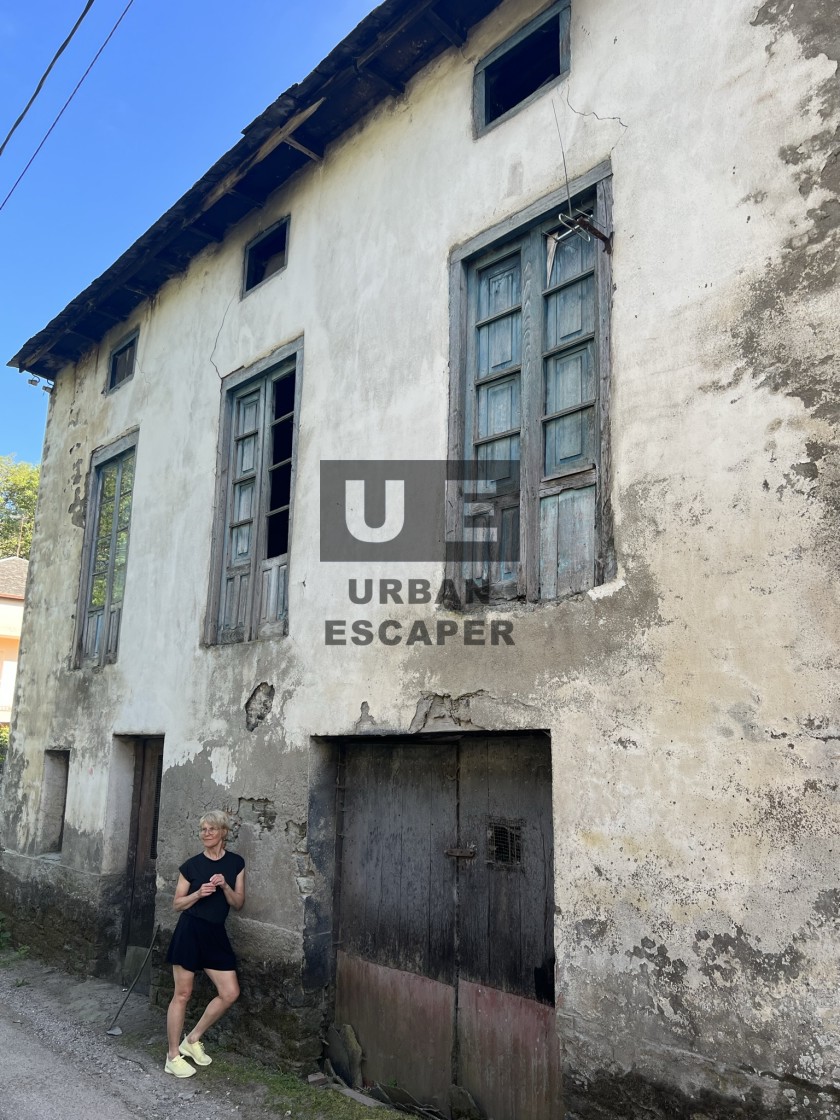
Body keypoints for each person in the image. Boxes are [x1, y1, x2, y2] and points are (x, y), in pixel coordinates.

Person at [163, 809, 246, 1078]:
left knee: (230, 992)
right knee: (182, 994)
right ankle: (172, 1055)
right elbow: (177, 904)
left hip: (215, 934)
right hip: (190, 931)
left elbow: (238, 904)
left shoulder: (236, 863)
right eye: (203, 830)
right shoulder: (191, 866)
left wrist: (225, 887)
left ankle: (192, 1039)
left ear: (223, 832)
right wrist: (198, 893)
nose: (206, 834)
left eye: (211, 829)